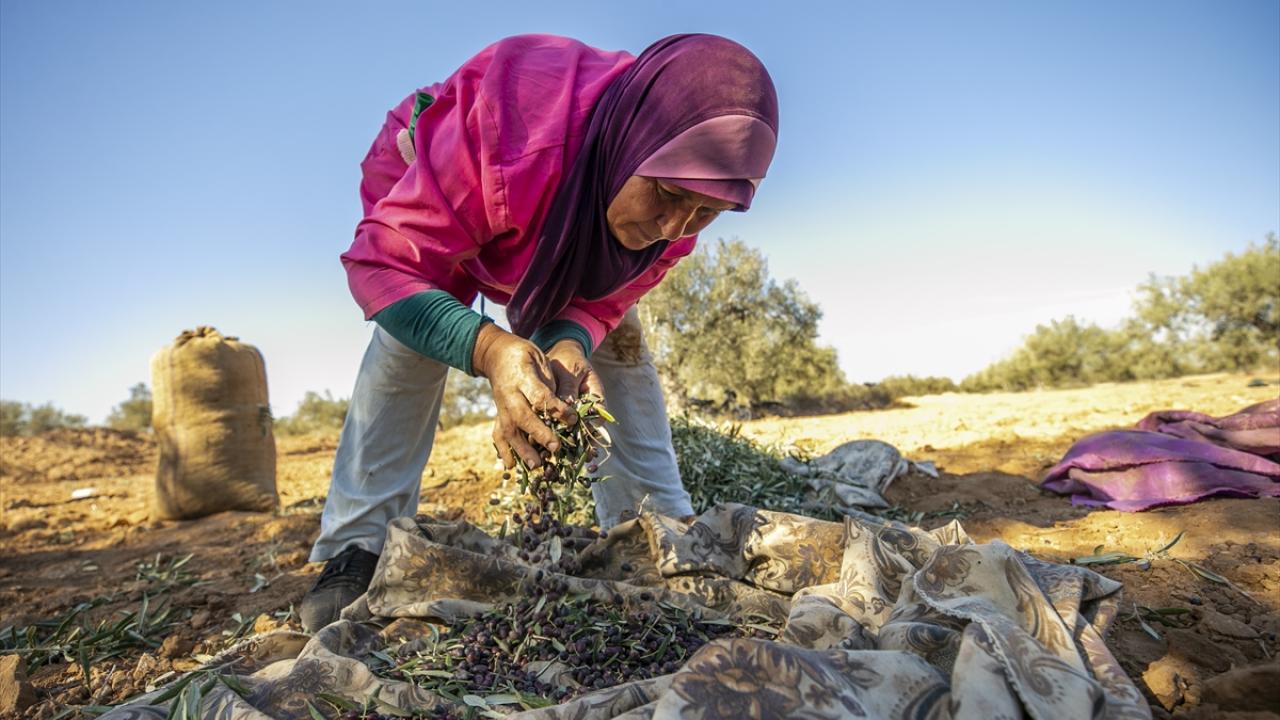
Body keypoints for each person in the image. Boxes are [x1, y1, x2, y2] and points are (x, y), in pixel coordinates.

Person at [300, 33, 779, 632]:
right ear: (630, 143)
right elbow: (390, 265)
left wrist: (568, 346)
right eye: (667, 195)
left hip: (548, 195)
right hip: (441, 173)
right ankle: (358, 541)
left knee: (622, 347)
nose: (675, 227)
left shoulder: (681, 199)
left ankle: (656, 525)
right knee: (413, 336)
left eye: (706, 212)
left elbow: (604, 300)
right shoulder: (511, 129)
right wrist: (490, 349)